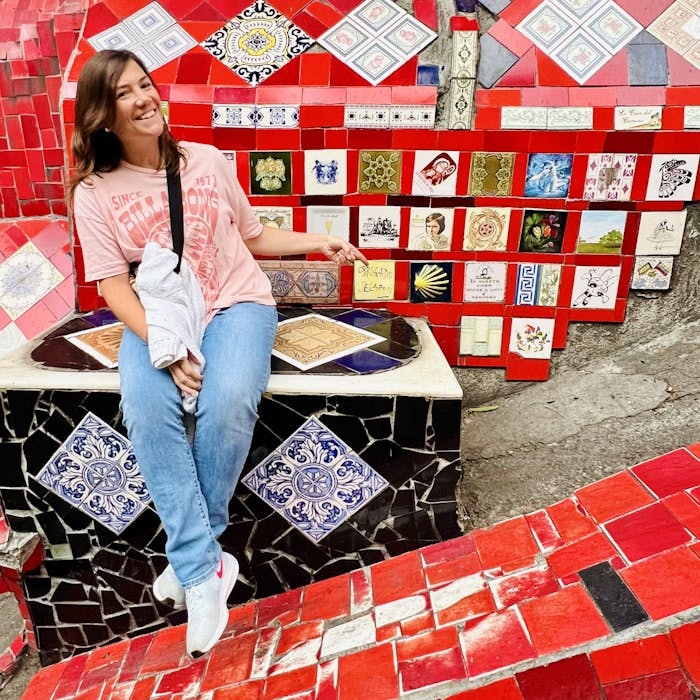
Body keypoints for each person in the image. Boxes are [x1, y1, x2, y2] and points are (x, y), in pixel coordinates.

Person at [69, 49, 368, 658]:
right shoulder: (94, 193)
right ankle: (208, 570)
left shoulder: (204, 161)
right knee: (149, 409)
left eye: (147, 84)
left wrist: (318, 239)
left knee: (226, 400)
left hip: (237, 304)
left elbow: (253, 237)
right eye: (127, 92)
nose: (146, 98)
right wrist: (165, 343)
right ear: (103, 115)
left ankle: (192, 568)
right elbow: (112, 287)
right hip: (160, 318)